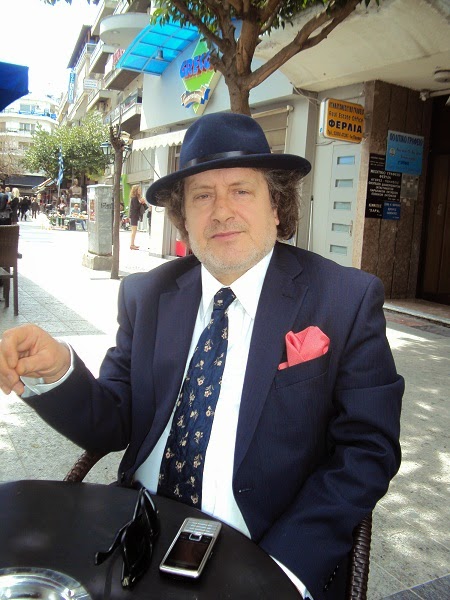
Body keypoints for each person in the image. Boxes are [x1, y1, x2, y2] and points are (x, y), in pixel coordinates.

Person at [0, 113, 403, 600]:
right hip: (141, 534)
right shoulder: (148, 294)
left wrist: (287, 567)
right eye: (202, 196)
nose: (222, 212)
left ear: (277, 206)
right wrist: (58, 370)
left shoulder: (344, 299)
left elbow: (367, 449)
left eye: (241, 191)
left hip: (267, 545)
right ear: (184, 219)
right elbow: (113, 423)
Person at [128, 184, 146, 250]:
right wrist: (141, 202)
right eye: (138, 190)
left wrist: (142, 202)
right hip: (133, 216)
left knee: (134, 231)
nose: (140, 191)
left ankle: (132, 244)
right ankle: (132, 245)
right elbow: (136, 207)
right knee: (134, 231)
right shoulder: (134, 198)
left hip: (134, 216)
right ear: (135, 190)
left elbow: (142, 207)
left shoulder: (136, 198)